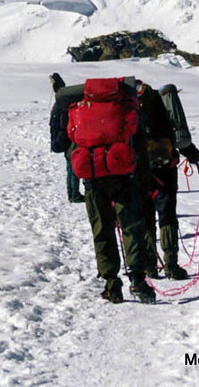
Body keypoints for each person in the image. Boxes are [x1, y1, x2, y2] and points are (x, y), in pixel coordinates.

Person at [67, 76, 156, 304]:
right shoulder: (126, 106)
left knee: (102, 231)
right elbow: (139, 147)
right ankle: (137, 279)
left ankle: (111, 283)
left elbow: (72, 141)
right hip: (124, 176)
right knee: (131, 228)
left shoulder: (82, 108)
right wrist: (145, 182)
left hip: (93, 179)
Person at [135, 82, 199, 280]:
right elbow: (178, 136)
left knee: (146, 216)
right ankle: (171, 265)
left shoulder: (132, 110)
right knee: (167, 216)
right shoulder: (162, 107)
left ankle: (149, 265)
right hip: (165, 172)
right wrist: (192, 153)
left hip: (140, 171)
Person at [49, 73, 84, 203]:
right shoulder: (63, 105)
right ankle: (74, 194)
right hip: (67, 139)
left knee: (70, 167)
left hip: (61, 140)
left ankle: (71, 194)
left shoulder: (58, 104)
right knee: (73, 167)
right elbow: (65, 124)